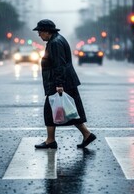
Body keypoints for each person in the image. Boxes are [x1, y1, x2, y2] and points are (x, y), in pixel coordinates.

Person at [33, 19, 96, 149]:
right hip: (65, 81)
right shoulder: (56, 40)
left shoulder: (55, 43)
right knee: (70, 110)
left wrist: (59, 84)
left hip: (61, 82)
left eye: (40, 31)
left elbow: (59, 65)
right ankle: (86, 134)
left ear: (46, 31)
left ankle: (50, 141)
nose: (39, 34)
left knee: (50, 110)